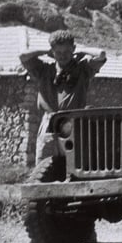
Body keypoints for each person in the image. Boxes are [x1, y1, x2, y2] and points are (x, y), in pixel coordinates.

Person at [19, 29, 108, 161]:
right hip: (50, 122)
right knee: (45, 162)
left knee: (74, 162)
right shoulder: (44, 70)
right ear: (53, 52)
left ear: (73, 49)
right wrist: (45, 51)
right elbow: (23, 56)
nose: (62, 56)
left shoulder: (83, 69)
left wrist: (82, 51)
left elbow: (101, 54)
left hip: (73, 121)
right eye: (58, 52)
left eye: (67, 52)